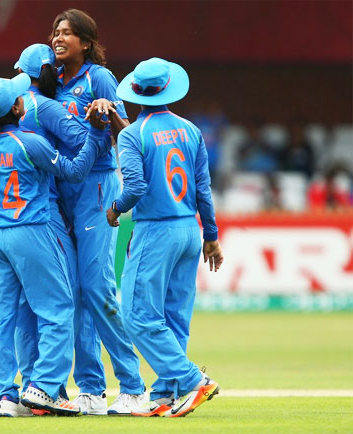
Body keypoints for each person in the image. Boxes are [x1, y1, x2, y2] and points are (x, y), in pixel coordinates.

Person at [0, 73, 107, 417]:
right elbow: (76, 172)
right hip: (30, 232)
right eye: (20, 98)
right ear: (18, 108)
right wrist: (95, 132)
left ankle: (5, 396)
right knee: (58, 309)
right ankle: (44, 388)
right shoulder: (29, 142)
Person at [107, 57, 224, 417]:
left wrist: (115, 208)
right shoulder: (191, 130)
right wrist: (212, 236)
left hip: (156, 229)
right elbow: (203, 188)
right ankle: (163, 395)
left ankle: (193, 381)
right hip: (190, 228)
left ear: (136, 92)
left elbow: (136, 186)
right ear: (168, 88)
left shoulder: (132, 134)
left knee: (137, 315)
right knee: (173, 318)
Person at [49, 8, 146, 415]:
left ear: (86, 43)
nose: (58, 38)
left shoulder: (99, 78)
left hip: (99, 185)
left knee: (97, 287)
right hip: (60, 189)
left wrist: (108, 117)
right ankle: (90, 387)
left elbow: (128, 137)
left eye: (67, 33)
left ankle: (134, 385)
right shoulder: (49, 80)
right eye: (55, 32)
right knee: (72, 292)